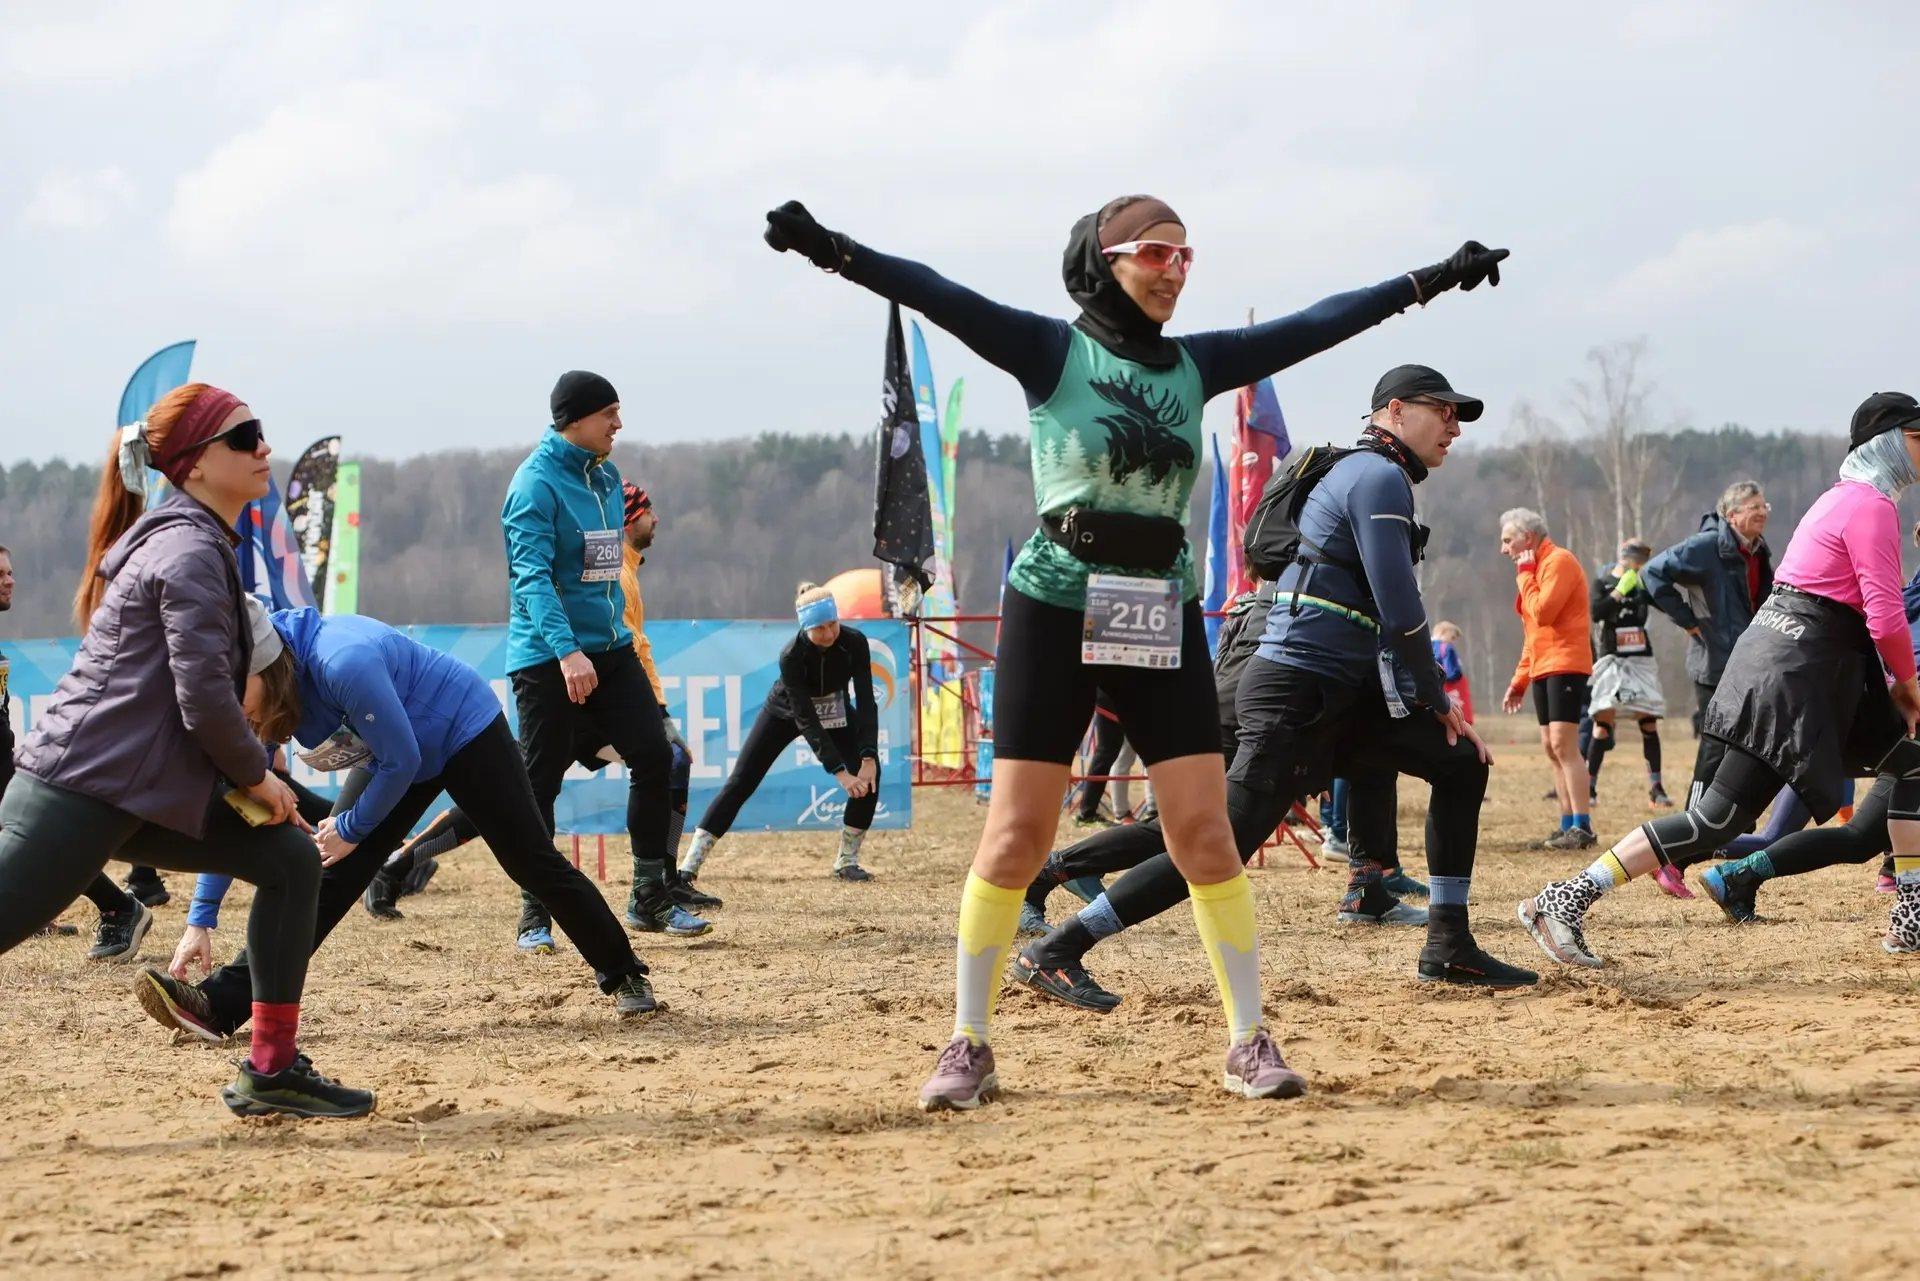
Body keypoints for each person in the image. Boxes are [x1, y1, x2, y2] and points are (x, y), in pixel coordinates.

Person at [764, 191, 1510, 1108]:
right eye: (1157, 253)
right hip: (1053, 601)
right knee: (1017, 834)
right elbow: (936, 292)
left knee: (1205, 831)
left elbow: (1321, 323)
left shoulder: (1197, 364)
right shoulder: (1052, 351)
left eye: (1185, 257)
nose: (1175, 271)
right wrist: (832, 249)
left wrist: (1432, 279)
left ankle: (1248, 1040)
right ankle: (969, 1041)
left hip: (1155, 605)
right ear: (1106, 260)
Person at [1014, 364, 1532, 1015]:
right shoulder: (1377, 476)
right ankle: (1057, 948)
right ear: (1396, 411)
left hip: (1334, 688)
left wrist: (1420, 700)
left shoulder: (1372, 475)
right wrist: (1436, 696)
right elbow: (1400, 607)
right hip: (1296, 687)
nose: (1455, 427)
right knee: (1218, 843)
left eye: (1460, 417)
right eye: (1444, 411)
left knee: (1460, 763)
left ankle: (1449, 942)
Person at [0, 383, 371, 1118]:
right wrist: (259, 778)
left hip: (133, 789)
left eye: (260, 433)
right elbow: (202, 698)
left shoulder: (199, 541)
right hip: (81, 789)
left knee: (291, 861)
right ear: (195, 464)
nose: (264, 447)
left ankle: (272, 1069)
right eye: (245, 437)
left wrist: (251, 779)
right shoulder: (189, 548)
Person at [137, 599, 659, 1040]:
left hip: (459, 728)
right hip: (390, 749)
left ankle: (624, 972)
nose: (230, 706)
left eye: (233, 689)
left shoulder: (342, 661)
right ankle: (218, 1007)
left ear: (266, 666)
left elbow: (402, 760)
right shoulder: (259, 691)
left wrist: (350, 829)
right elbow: (245, 803)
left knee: (531, 861)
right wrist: (200, 918)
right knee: (321, 874)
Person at [1520, 393, 1920, 966]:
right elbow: (1883, 612)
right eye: (1918, 438)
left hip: (1800, 665)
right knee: (1716, 820)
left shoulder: (1839, 499)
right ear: (1888, 443)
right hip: (1797, 675)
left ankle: (1910, 916)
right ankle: (1563, 899)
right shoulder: (1871, 507)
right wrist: (1907, 682)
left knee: (1911, 763)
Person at [502, 372, 706, 944]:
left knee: (658, 757)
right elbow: (532, 578)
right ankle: (535, 912)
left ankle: (649, 897)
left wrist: (611, 637)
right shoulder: (534, 485)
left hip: (612, 650)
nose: (619, 424)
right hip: (549, 657)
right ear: (575, 420)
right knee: (539, 784)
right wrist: (567, 652)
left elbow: (605, 569)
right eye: (609, 413)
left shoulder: (609, 476)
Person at [1695, 545, 1920, 923]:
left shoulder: (1909, 594)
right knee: (1858, 835)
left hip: (1896, 723)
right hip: (1905, 727)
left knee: (1860, 837)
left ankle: (1738, 875)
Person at [678, 583, 883, 882]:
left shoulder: (855, 642)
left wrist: (868, 757)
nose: (829, 634)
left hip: (835, 708)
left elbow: (866, 701)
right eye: (819, 628)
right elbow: (806, 719)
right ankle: (689, 865)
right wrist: (840, 772)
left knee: (871, 777)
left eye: (833, 624)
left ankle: (847, 861)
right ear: (805, 628)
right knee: (740, 782)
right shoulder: (791, 655)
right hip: (786, 712)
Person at [1641, 480, 1774, 799]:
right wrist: (1687, 621)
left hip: (1749, 663)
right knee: (1716, 744)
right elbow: (1651, 573)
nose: (1762, 513)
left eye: (1764, 506)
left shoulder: (1759, 549)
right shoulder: (1706, 546)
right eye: (1754, 507)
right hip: (1714, 661)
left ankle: (1735, 818)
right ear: (1732, 515)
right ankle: (1695, 815)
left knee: (1743, 747)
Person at [1499, 508, 1595, 849]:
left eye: (1508, 540)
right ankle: (1566, 824)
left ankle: (1583, 827)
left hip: (1566, 661)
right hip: (1542, 665)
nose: (1503, 549)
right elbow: (1533, 634)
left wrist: (1525, 575)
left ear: (1528, 537)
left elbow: (1544, 612)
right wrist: (1519, 681)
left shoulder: (1559, 561)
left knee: (1563, 745)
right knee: (1551, 748)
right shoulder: (1535, 570)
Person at [1587, 539, 1675, 810]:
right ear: (1625, 558)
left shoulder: (1642, 584)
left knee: (1648, 721)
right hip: (1612, 659)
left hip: (1640, 659)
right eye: (1637, 561)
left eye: (1642, 562)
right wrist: (1618, 592)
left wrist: (1652, 586)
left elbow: (1666, 605)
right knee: (1603, 722)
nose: (1638, 566)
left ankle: (1656, 788)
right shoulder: (1602, 583)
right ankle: (1588, 787)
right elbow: (1596, 612)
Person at [1071, 693, 1127, 826]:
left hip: (1115, 694)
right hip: (1110, 694)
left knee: (1108, 750)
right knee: (1107, 750)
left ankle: (1088, 811)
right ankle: (1087, 813)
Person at [1432, 621, 1473, 722]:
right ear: (1442, 632)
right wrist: (1455, 675)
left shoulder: (1424, 646)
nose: (1452, 642)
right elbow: (1452, 671)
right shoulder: (1446, 648)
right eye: (1452, 637)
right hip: (1449, 690)